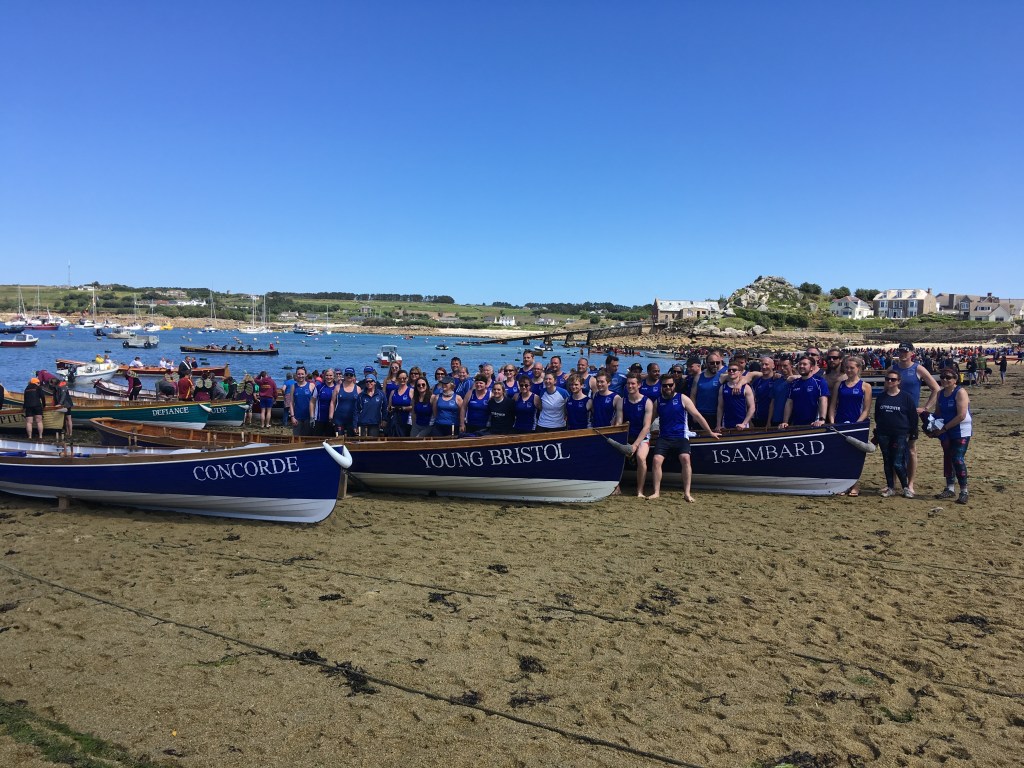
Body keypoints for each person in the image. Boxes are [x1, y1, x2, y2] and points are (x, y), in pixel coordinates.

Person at [649, 374, 719, 501]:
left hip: (681, 437)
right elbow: (649, 421)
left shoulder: (683, 398)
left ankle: (687, 493)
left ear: (674, 385)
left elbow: (697, 416)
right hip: (664, 437)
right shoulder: (657, 402)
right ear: (661, 387)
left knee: (685, 458)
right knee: (656, 460)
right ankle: (656, 492)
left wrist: (710, 432)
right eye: (665, 385)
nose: (668, 387)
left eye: (670, 385)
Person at [891, 342, 939, 492]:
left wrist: (925, 408)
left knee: (911, 448)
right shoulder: (893, 369)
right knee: (893, 448)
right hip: (894, 414)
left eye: (906, 351)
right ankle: (892, 483)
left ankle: (910, 484)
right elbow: (887, 389)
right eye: (901, 351)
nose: (903, 354)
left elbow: (936, 389)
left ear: (912, 353)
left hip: (910, 416)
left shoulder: (918, 368)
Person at [828, 355, 872, 497]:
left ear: (858, 369)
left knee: (854, 456)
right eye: (846, 367)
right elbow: (833, 405)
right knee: (839, 456)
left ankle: (855, 485)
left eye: (852, 368)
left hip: (857, 425)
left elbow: (866, 409)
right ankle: (842, 485)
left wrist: (857, 424)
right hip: (840, 423)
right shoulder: (839, 385)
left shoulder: (865, 386)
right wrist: (833, 421)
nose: (848, 370)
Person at [874, 371, 918, 498]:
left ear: (898, 381)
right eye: (887, 379)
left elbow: (913, 417)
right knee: (887, 461)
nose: (889, 382)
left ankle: (906, 487)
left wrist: (913, 433)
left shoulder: (906, 397)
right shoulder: (881, 397)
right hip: (883, 433)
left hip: (900, 433)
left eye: (893, 380)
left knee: (898, 462)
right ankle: (890, 487)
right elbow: (877, 415)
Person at [932, 369, 972, 504]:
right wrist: (931, 426)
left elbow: (961, 415)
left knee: (957, 458)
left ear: (955, 379)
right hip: (946, 430)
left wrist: (944, 428)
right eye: (942, 377)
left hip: (961, 430)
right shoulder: (940, 394)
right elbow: (937, 413)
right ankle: (950, 488)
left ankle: (964, 491)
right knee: (948, 457)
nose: (945, 380)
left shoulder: (960, 392)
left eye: (948, 378)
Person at [623, 374, 654, 497]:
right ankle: (617, 487)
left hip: (642, 437)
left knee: (641, 457)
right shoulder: (622, 400)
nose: (630, 386)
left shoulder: (647, 402)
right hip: (627, 436)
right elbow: (620, 422)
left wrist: (635, 445)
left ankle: (640, 490)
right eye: (628, 383)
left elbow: (646, 427)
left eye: (633, 383)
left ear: (639, 385)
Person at [779, 356, 828, 428]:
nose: (801, 366)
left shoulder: (819, 381)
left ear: (811, 367)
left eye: (804, 364)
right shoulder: (794, 383)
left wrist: (822, 419)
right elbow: (789, 402)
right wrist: (785, 422)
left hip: (814, 423)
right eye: (800, 364)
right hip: (796, 424)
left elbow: (823, 400)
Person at [690, 351, 725, 428]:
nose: (715, 365)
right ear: (706, 364)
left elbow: (744, 376)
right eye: (712, 363)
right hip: (700, 414)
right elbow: (692, 396)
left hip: (715, 415)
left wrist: (739, 384)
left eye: (717, 363)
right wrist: (694, 414)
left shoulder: (722, 377)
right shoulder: (698, 377)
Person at [717, 362, 755, 430]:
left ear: (739, 372)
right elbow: (720, 407)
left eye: (734, 370)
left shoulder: (746, 387)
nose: (731, 371)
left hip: (742, 423)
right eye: (729, 370)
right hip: (726, 423)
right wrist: (718, 424)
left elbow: (752, 407)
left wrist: (744, 423)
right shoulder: (723, 387)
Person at [289, 367, 317, 436]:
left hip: (309, 417)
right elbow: (291, 402)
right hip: (297, 417)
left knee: (308, 439)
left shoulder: (311, 386)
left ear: (306, 375)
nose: (300, 376)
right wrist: (292, 416)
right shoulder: (293, 386)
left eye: (302, 374)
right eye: (298, 374)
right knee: (296, 438)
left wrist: (313, 417)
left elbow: (315, 402)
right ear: (296, 375)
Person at [385, 369, 412, 437]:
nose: (402, 380)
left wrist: (402, 408)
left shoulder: (411, 391)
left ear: (407, 378)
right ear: (397, 379)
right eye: (400, 378)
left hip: (407, 421)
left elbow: (414, 407)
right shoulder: (393, 392)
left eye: (404, 378)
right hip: (395, 421)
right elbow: (389, 407)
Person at [313, 368, 337, 435]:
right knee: (318, 440)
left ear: (334, 376)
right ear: (324, 376)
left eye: (330, 375)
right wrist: (312, 416)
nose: (328, 377)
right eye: (327, 375)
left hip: (332, 418)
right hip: (319, 418)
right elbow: (312, 402)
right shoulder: (319, 387)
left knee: (331, 439)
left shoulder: (337, 388)